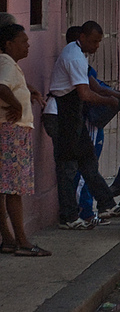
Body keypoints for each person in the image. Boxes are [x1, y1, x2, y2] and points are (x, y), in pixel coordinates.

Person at [49, 21, 120, 229]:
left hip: (73, 115)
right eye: (94, 41)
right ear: (82, 37)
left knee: (88, 161)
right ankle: (68, 216)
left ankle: (106, 204)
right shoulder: (74, 57)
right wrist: (109, 101)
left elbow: (90, 86)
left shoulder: (79, 55)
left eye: (99, 42)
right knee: (67, 168)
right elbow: (85, 93)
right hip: (62, 115)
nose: (97, 46)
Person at [0, 23, 50, 256]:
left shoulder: (9, 64)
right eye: (23, 41)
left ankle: (10, 239)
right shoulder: (6, 62)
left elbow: (10, 83)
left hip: (11, 131)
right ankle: (22, 242)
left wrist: (27, 91)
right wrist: (17, 105)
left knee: (6, 188)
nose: (27, 44)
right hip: (12, 132)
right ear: (9, 44)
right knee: (13, 189)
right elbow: (2, 87)